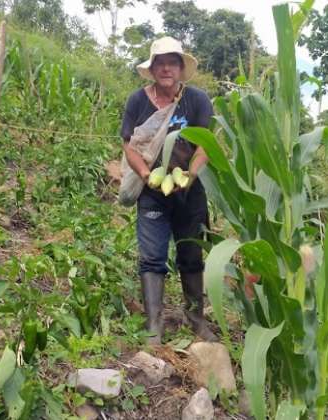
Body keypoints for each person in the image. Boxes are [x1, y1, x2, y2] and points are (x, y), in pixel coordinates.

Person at [120, 37, 217, 344]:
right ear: (152, 68)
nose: (166, 68)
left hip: (190, 191)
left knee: (191, 254)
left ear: (180, 67)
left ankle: (196, 319)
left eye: (172, 62)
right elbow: (129, 146)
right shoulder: (138, 101)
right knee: (152, 257)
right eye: (159, 62)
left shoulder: (197, 100)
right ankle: (153, 323)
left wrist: (190, 173)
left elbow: (205, 145)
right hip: (153, 190)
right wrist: (146, 174)